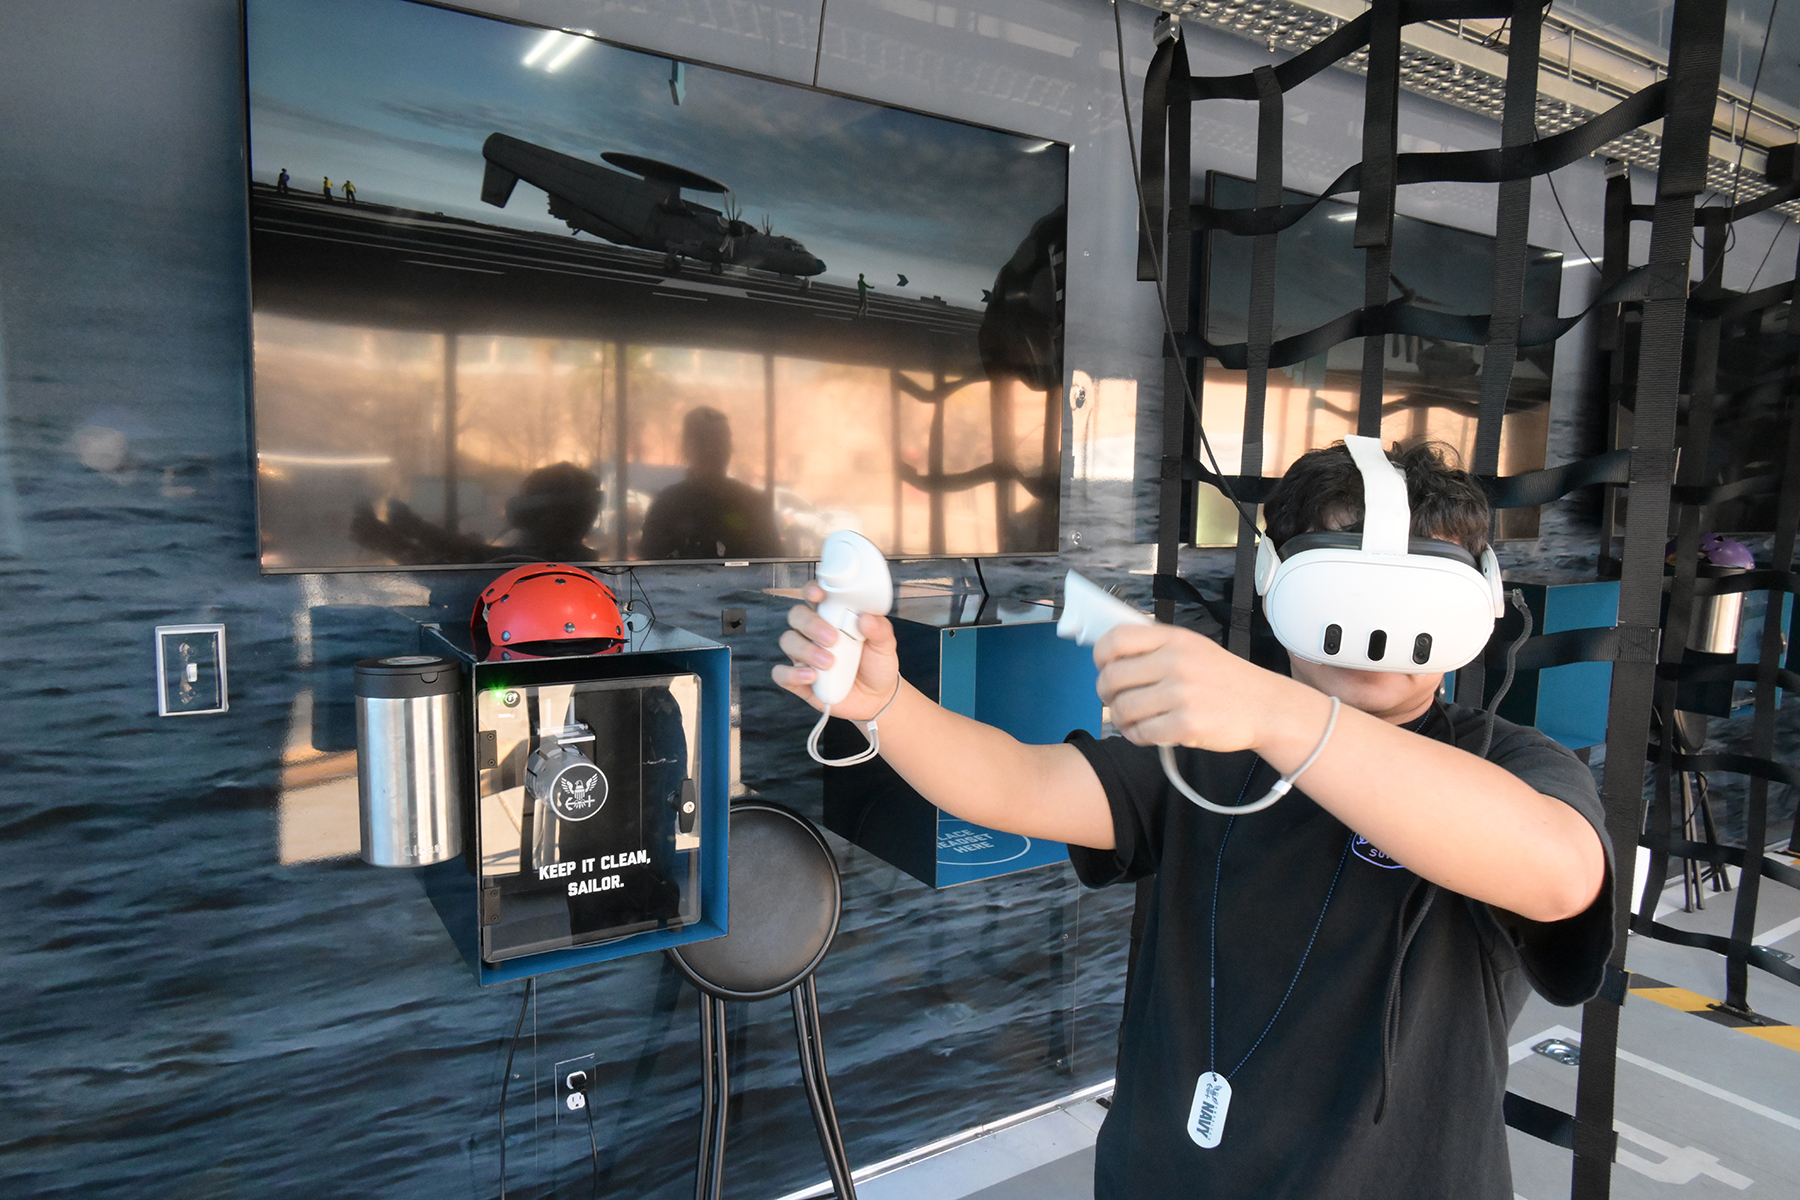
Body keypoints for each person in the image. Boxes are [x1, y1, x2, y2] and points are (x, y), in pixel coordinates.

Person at [774, 440, 1611, 1199]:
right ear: (1280, 581)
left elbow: (1558, 873)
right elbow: (1019, 784)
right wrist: (880, 702)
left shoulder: (1513, 766)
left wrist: (1281, 715)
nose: (1373, 633)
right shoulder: (1207, 753)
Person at [638, 406, 782, 560]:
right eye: (704, 442)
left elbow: (772, 565)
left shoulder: (753, 505)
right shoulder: (666, 507)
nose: (713, 451)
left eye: (721, 442)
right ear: (687, 448)